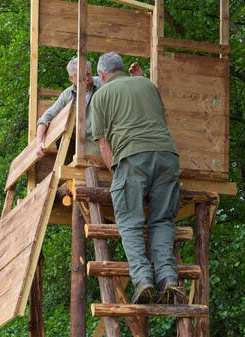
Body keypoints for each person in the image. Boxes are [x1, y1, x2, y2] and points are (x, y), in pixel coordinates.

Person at [90, 52, 181, 304]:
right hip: (167, 156)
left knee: (129, 222)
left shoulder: (101, 96)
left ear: (101, 75)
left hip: (132, 159)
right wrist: (140, 78)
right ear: (122, 68)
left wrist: (117, 175)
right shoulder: (147, 84)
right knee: (162, 220)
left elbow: (104, 146)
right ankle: (168, 279)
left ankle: (143, 280)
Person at [35, 58, 144, 158]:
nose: (87, 79)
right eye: (82, 76)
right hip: (81, 145)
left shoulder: (103, 82)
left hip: (106, 139)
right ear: (71, 78)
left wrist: (137, 79)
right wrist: (39, 142)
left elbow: (125, 91)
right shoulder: (67, 95)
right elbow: (46, 117)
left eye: (88, 74)